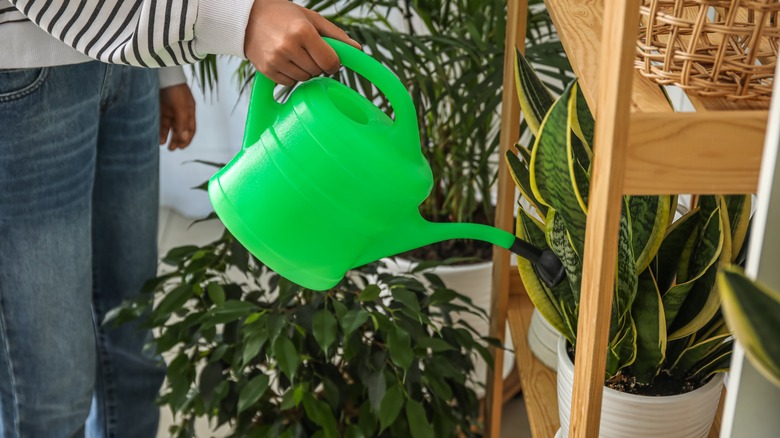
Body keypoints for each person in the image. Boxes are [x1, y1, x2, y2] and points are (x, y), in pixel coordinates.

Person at [0, 0, 359, 436]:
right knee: (49, 394)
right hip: (23, 65)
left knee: (132, 334)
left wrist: (163, 66)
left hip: (126, 59)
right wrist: (237, 19)